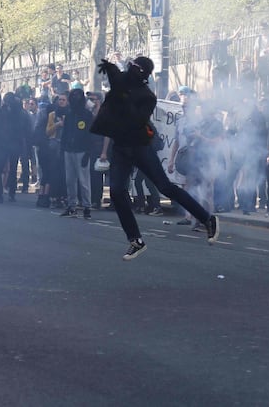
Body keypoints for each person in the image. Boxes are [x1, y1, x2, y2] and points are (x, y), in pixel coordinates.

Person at [92, 57, 220, 260]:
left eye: (135, 67)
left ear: (142, 73)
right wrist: (110, 68)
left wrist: (123, 99)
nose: (130, 69)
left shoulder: (147, 97)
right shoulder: (123, 83)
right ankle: (135, 240)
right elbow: (116, 79)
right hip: (121, 147)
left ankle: (207, 218)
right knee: (117, 191)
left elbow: (137, 120)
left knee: (165, 187)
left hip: (139, 146)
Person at [58, 88, 94, 219]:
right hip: (69, 150)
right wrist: (62, 149)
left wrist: (88, 153)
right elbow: (65, 133)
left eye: (77, 96)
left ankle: (87, 207)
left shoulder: (87, 115)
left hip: (82, 151)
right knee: (70, 180)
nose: (74, 99)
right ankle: (72, 206)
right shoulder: (69, 114)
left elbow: (91, 135)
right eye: (72, 96)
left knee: (84, 181)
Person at [207, 27, 241, 96]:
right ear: (211, 36)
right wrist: (208, 74)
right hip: (216, 70)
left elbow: (232, 37)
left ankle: (226, 102)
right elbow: (209, 62)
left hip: (224, 68)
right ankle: (218, 103)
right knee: (216, 88)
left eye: (216, 35)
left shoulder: (223, 43)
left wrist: (239, 28)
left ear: (219, 36)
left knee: (225, 86)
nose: (215, 36)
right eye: (213, 35)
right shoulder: (210, 47)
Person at [253, 21, 269, 98]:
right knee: (263, 78)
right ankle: (264, 94)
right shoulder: (259, 39)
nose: (263, 31)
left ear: (268, 29)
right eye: (262, 29)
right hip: (262, 60)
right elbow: (256, 52)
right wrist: (255, 63)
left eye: (264, 29)